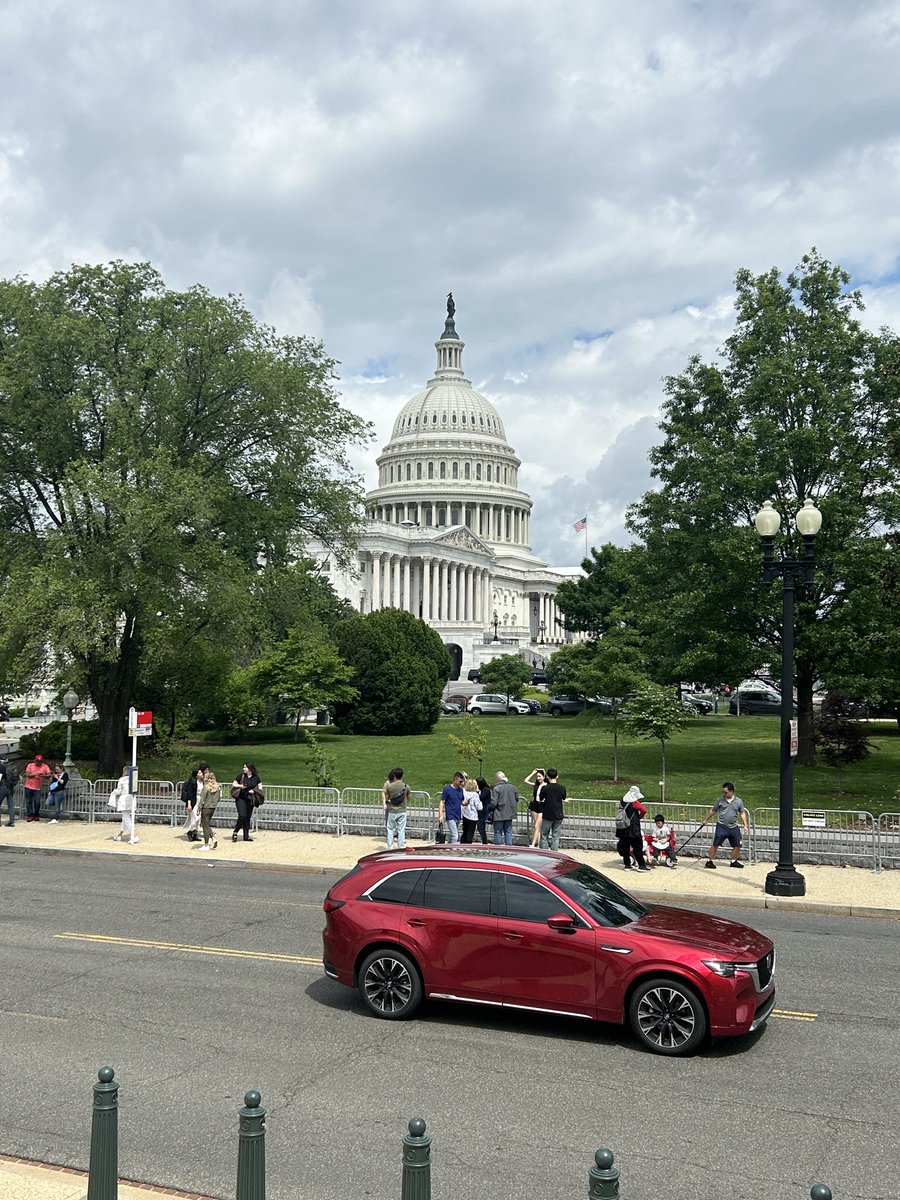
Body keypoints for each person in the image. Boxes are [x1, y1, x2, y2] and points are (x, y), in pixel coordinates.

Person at [704, 781, 749, 868]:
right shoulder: (720, 800)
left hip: (733, 826)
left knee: (737, 844)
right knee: (715, 844)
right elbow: (713, 810)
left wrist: (745, 825)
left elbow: (742, 813)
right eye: (723, 792)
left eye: (726, 792)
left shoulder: (739, 801)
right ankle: (710, 861)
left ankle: (733, 861)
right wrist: (706, 819)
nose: (724, 794)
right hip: (721, 826)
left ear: (731, 791)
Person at [616, 785, 650, 871]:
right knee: (637, 847)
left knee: (625, 847)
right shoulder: (634, 803)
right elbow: (644, 810)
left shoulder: (622, 801)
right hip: (633, 829)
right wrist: (639, 817)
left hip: (623, 828)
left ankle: (627, 865)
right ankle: (641, 866)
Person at [231, 761, 261, 843]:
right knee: (242, 815)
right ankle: (235, 831)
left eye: (245, 767)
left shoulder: (256, 777)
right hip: (241, 798)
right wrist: (241, 786)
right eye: (243, 767)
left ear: (250, 769)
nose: (243, 769)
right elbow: (234, 784)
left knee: (247, 817)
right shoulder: (241, 776)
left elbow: (260, 787)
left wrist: (254, 791)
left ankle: (246, 836)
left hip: (250, 799)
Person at [538, 768, 566, 851]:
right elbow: (563, 797)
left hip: (548, 814)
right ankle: (554, 851)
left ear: (547, 777)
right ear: (557, 776)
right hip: (558, 814)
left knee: (544, 834)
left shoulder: (546, 788)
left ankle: (544, 851)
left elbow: (540, 798)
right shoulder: (562, 788)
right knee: (556, 835)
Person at [490, 771, 521, 846]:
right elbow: (517, 798)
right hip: (510, 813)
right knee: (508, 831)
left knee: (498, 832)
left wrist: (490, 808)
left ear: (497, 778)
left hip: (498, 813)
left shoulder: (496, 788)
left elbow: (494, 802)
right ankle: (509, 848)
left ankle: (498, 848)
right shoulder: (513, 787)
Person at [383, 766, 410, 849]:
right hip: (402, 810)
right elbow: (409, 798)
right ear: (402, 776)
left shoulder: (390, 786)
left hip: (392, 810)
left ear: (394, 776)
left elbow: (387, 798)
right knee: (401, 830)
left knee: (390, 830)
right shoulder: (406, 786)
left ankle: (390, 847)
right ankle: (401, 847)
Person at [109, 767, 137, 843]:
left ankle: (133, 834)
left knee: (126, 817)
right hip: (131, 798)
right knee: (125, 817)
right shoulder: (132, 779)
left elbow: (119, 791)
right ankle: (120, 835)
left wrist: (114, 792)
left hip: (124, 799)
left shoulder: (122, 779)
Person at [198, 764, 220, 851]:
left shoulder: (206, 787)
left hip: (206, 807)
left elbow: (202, 799)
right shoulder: (217, 787)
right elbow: (218, 799)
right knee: (207, 824)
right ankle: (212, 838)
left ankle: (206, 844)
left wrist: (199, 808)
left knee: (205, 826)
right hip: (212, 807)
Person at [23, 753, 51, 822]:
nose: (38, 764)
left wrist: (43, 775)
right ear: (34, 760)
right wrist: (34, 774)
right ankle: (30, 815)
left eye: (40, 762)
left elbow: (49, 774)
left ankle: (36, 815)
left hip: (37, 788)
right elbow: (27, 774)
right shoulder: (30, 765)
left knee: (37, 802)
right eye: (37, 762)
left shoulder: (45, 766)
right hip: (28, 786)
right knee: (28, 802)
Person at [439, 772, 465, 844]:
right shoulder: (447, 789)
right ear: (455, 780)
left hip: (458, 815)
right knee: (455, 836)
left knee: (452, 835)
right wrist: (441, 815)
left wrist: (465, 803)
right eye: (460, 781)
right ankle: (453, 849)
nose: (461, 783)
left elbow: (461, 801)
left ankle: (448, 846)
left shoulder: (461, 790)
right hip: (450, 815)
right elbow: (442, 802)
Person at [524, 767, 545, 847]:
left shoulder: (546, 785)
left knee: (537, 826)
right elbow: (526, 780)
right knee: (536, 826)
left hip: (542, 806)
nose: (538, 778)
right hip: (535, 805)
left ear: (543, 777)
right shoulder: (536, 785)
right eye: (537, 776)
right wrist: (533, 773)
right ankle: (540, 844)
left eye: (540, 776)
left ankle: (533, 844)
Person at [182, 767, 203, 841]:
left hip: (200, 801)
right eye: (200, 773)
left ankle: (195, 833)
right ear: (196, 775)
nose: (202, 774)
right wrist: (189, 804)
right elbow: (190, 794)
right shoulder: (193, 782)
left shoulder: (201, 782)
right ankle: (190, 831)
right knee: (194, 817)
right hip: (194, 801)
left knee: (199, 818)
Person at [460, 777, 483, 842]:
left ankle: (462, 844)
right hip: (473, 816)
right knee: (470, 833)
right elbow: (479, 807)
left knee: (465, 831)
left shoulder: (464, 793)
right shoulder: (475, 795)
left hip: (465, 814)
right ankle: (468, 846)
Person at [475, 777, 492, 844]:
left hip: (484, 811)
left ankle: (484, 841)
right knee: (480, 827)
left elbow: (481, 797)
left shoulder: (486, 790)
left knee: (481, 827)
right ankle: (484, 840)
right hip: (480, 811)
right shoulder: (483, 790)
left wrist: (477, 792)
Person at [0, 758, 16, 827]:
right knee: (10, 805)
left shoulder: (1, 767)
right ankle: (12, 822)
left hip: (2, 787)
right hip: (10, 787)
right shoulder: (8, 767)